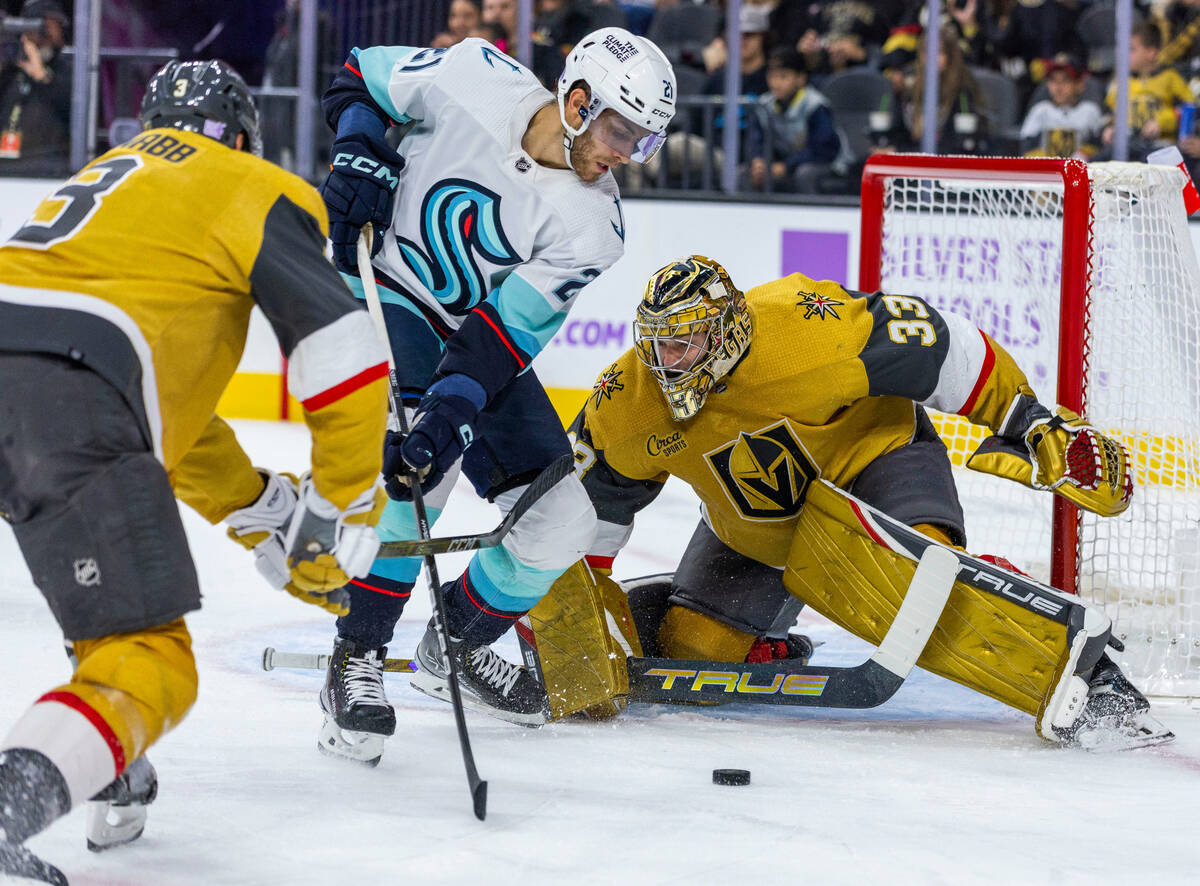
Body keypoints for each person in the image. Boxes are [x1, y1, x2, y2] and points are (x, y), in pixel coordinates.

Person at [0, 59, 389, 883]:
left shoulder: (110, 178)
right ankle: (26, 788)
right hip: (68, 392)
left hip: (46, 372)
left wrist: (261, 511)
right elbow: (342, 349)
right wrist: (344, 504)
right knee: (149, 654)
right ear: (246, 135)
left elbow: (170, 412)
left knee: (105, 584)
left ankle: (102, 751)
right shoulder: (249, 182)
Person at [527, 254, 1171, 751]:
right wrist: (586, 610)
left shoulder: (808, 331)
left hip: (874, 466)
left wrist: (1031, 422)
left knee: (918, 592)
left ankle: (1058, 645)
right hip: (751, 530)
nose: (665, 364)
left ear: (724, 336)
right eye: (657, 343)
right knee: (694, 669)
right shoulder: (627, 401)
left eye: (683, 345)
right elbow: (595, 512)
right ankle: (757, 635)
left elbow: (945, 350)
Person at [314, 28, 675, 762]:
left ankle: (453, 643)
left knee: (562, 521)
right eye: (619, 132)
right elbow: (359, 75)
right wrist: (356, 144)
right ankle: (356, 655)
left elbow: (499, 336)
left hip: (466, 333)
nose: (624, 156)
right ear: (577, 101)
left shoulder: (594, 225)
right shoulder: (470, 70)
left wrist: (455, 407)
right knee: (423, 469)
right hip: (381, 289)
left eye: (644, 143)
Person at [745, 47, 850, 193]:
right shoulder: (763, 105)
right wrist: (758, 161)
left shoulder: (815, 105)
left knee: (804, 174)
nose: (776, 83)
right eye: (772, 77)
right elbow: (756, 140)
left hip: (829, 164)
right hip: (784, 163)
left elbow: (823, 149)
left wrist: (785, 166)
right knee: (742, 174)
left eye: (783, 77)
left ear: (800, 78)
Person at [1101, 21, 1195, 160]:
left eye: (1131, 49)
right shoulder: (1121, 83)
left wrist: (1162, 122)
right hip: (1128, 145)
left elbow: (1188, 108)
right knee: (1098, 160)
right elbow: (1109, 113)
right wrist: (1110, 127)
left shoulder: (1170, 78)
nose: (1124, 54)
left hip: (1162, 146)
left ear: (1151, 52)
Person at [0, 0, 71, 177]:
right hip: (5, 167)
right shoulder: (12, 67)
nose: (55, 32)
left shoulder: (69, 70)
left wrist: (42, 76)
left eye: (57, 26)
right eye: (47, 26)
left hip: (46, 170)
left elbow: (73, 112)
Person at [1019, 54, 1103, 158]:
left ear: (1080, 84)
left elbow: (1099, 145)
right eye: (1053, 81)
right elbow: (1026, 145)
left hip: (1080, 170)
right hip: (1046, 169)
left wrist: (1087, 153)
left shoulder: (1090, 110)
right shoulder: (1040, 110)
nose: (1058, 87)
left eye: (1065, 80)